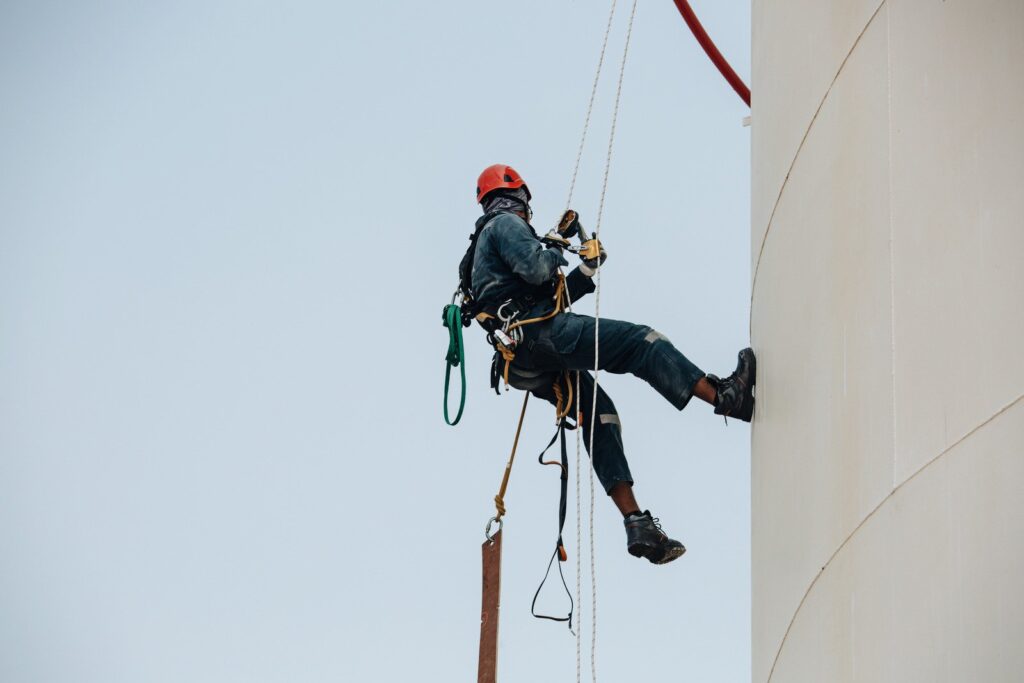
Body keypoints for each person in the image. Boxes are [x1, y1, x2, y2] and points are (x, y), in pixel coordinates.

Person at [461, 164, 755, 565]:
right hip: (538, 339)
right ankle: (725, 396)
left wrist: (585, 269)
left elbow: (547, 303)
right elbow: (537, 270)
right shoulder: (503, 225)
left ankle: (636, 521)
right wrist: (554, 248)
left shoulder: (483, 252)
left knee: (599, 414)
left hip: (524, 358)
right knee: (641, 343)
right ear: (518, 198)